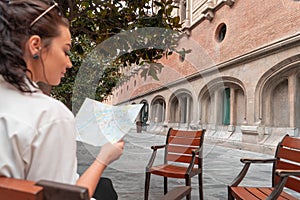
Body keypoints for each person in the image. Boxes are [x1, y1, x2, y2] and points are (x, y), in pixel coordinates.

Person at [0, 0, 124, 199]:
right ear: (35, 45)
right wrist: (104, 157)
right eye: (65, 51)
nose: (68, 63)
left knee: (105, 186)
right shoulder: (50, 116)